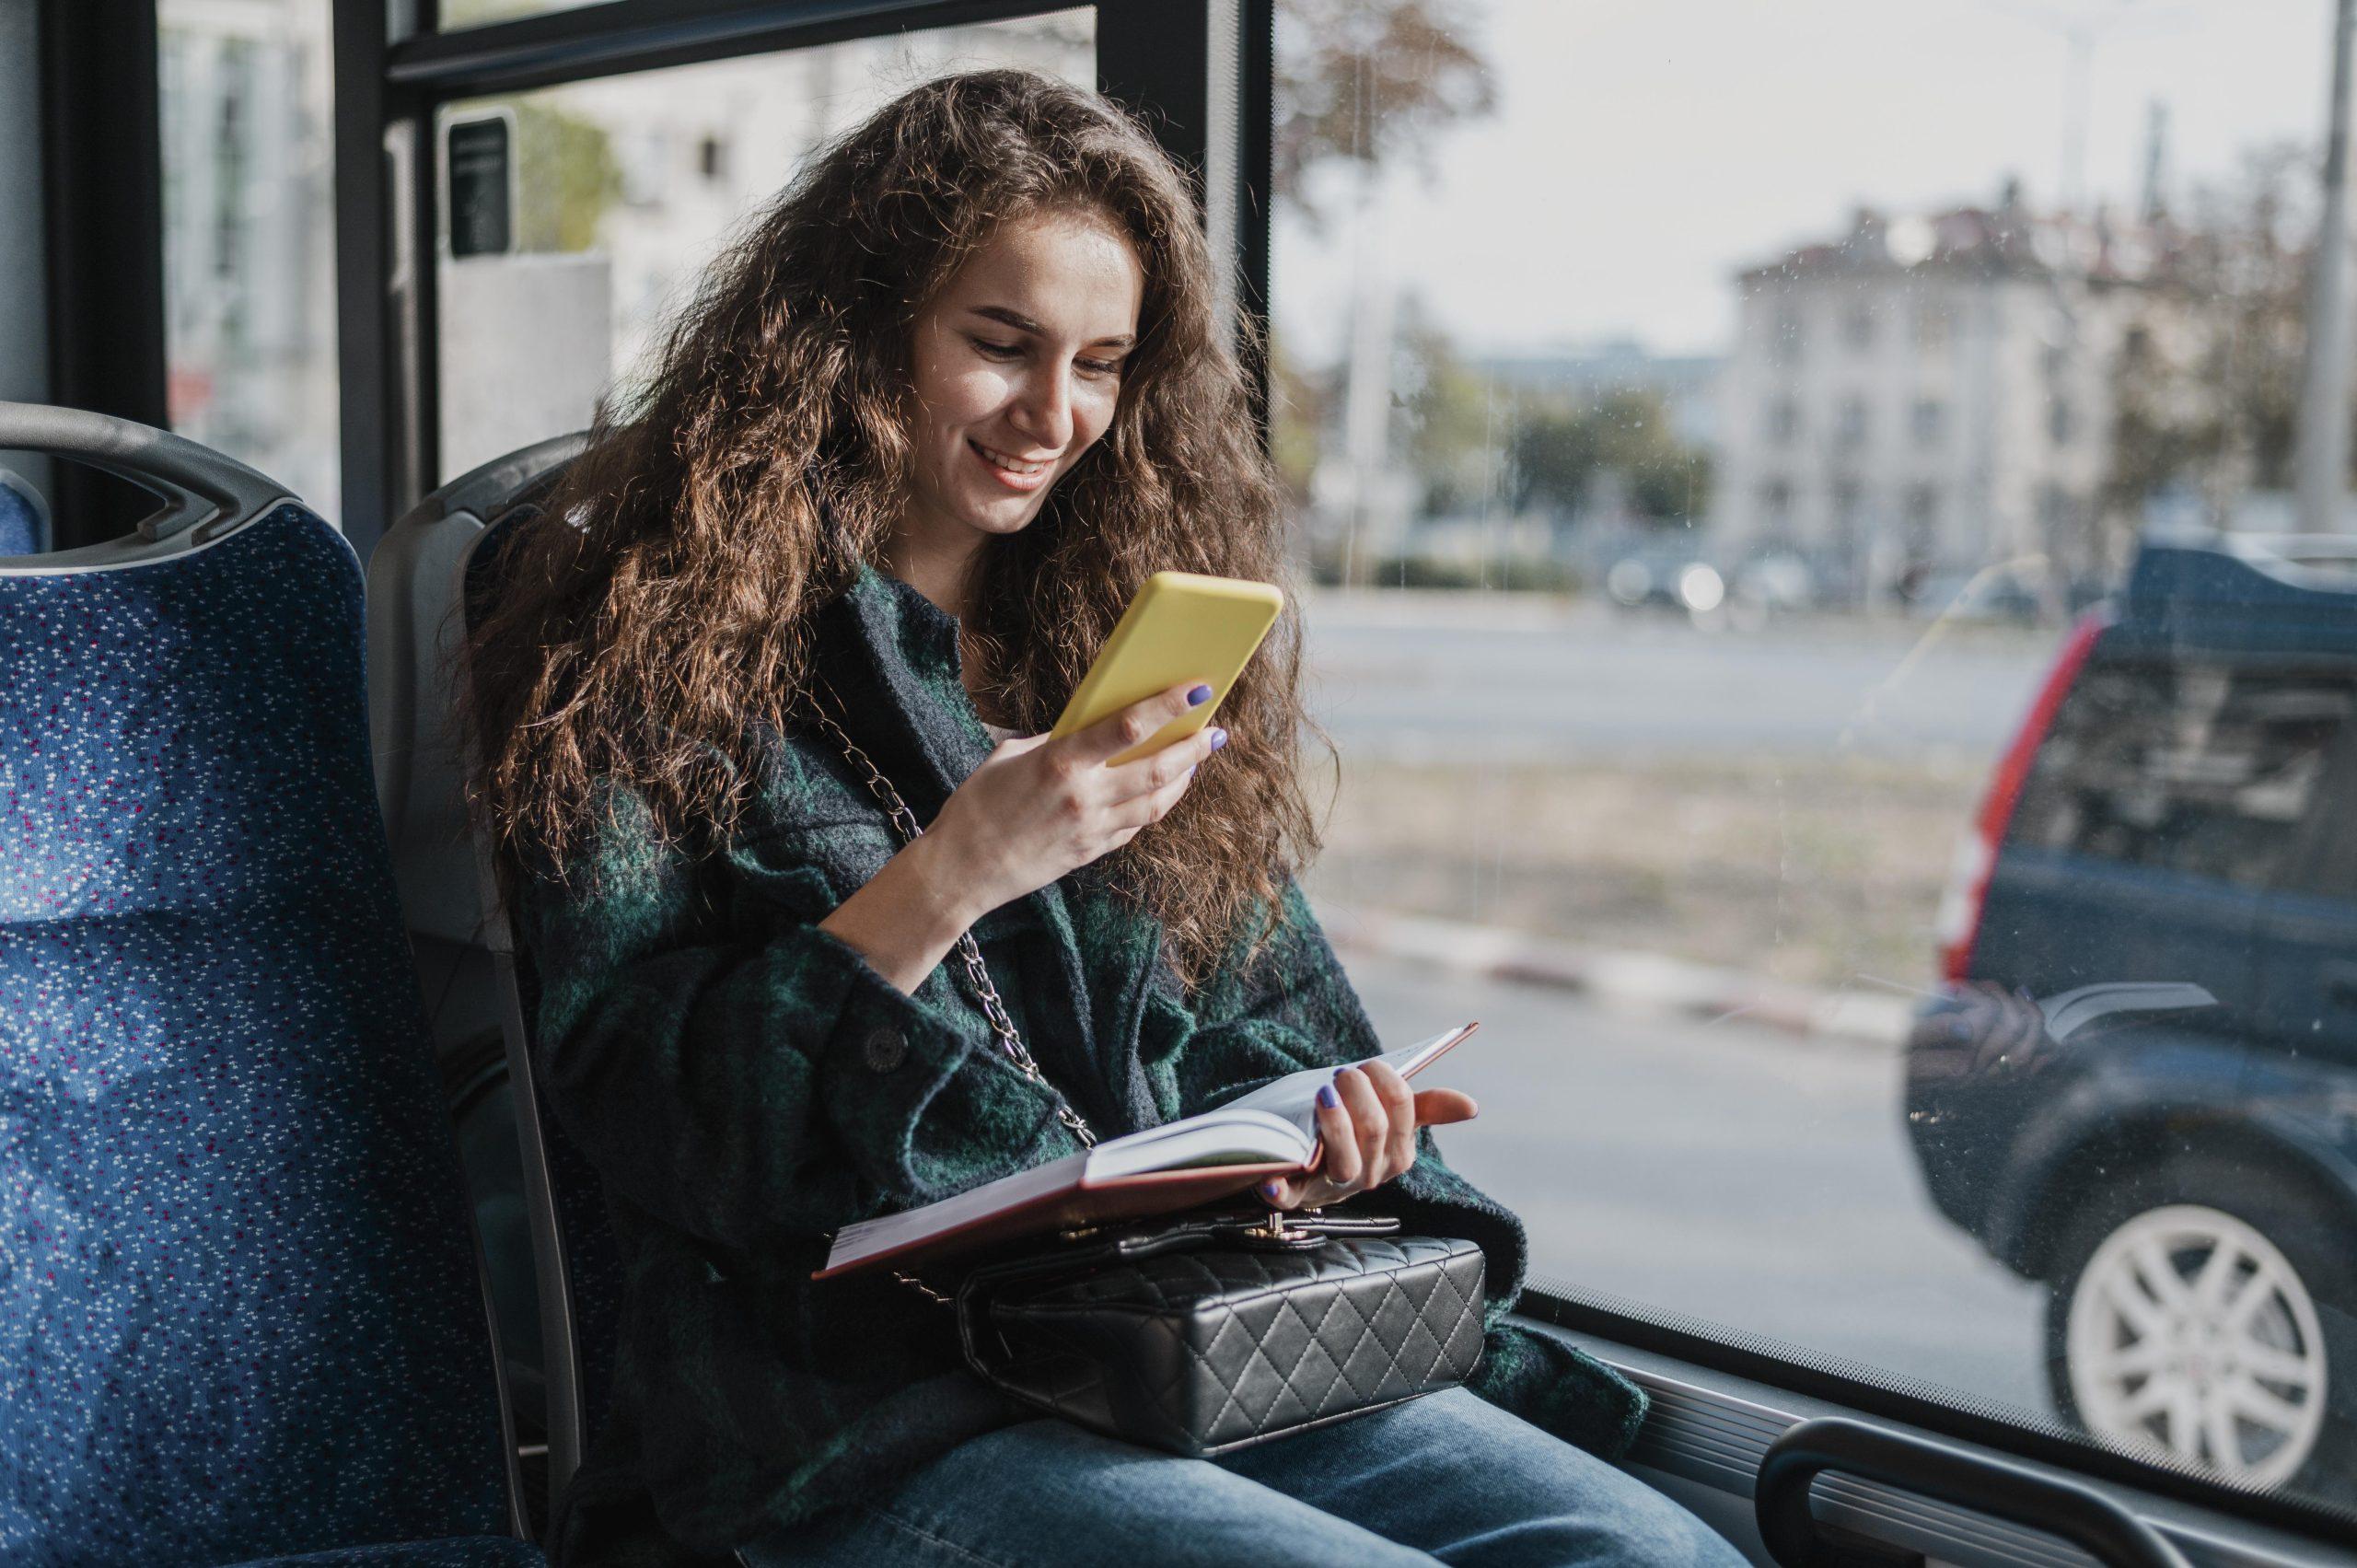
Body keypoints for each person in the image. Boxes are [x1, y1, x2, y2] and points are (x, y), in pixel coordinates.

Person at [465, 69, 1744, 1568]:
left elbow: (1263, 1020)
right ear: (864, 326)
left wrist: (1327, 1143)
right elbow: (644, 1115)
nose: (1054, 415)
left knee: (1663, 1558)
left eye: (1102, 363)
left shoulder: (1116, 632)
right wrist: (955, 872)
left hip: (1181, 1346)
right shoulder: (639, 646)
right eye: (999, 345)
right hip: (860, 1408)